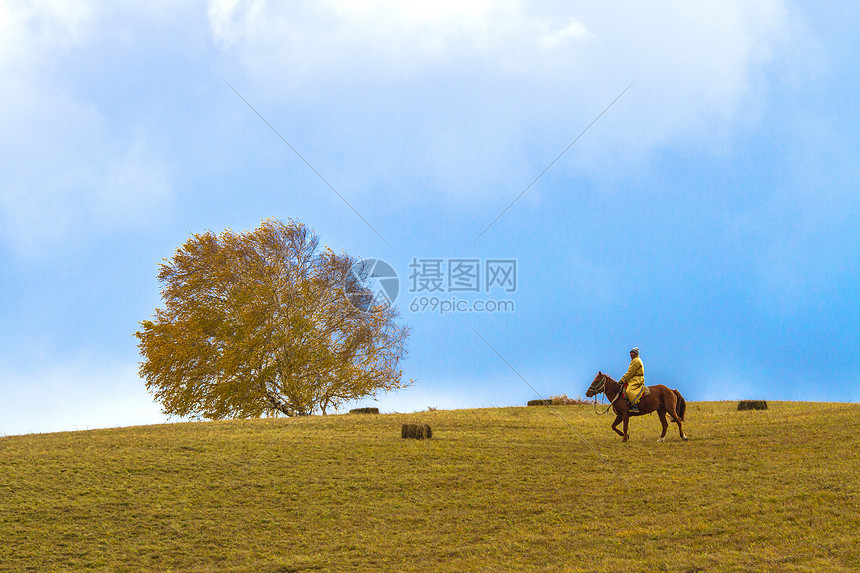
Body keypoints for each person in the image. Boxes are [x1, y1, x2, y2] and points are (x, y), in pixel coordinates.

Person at [619, 347, 645, 413]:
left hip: (637, 379)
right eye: (630, 354)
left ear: (635, 354)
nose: (630, 355)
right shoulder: (634, 360)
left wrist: (622, 380)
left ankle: (635, 406)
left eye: (632, 353)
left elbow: (631, 372)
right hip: (632, 379)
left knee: (629, 391)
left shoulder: (636, 361)